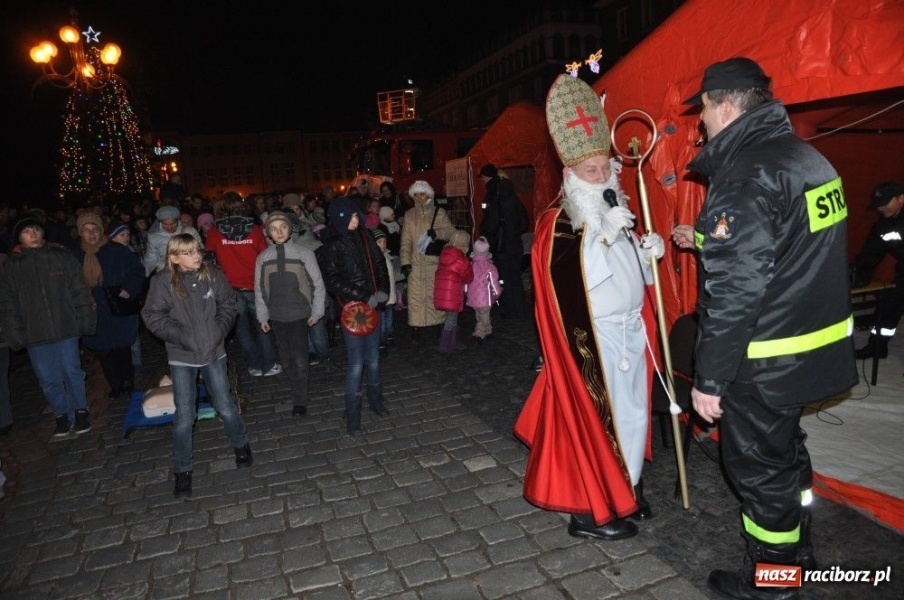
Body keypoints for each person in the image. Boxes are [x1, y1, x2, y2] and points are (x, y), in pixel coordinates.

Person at [672, 57, 857, 599]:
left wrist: (709, 380)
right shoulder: (807, 158)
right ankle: (799, 554)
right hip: (811, 352)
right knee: (787, 458)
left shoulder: (746, 175)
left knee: (760, 474)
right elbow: (789, 247)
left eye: (705, 108)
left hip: (765, 359)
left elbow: (736, 291)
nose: (700, 120)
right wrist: (705, 239)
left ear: (727, 107)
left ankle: (774, 583)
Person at [514, 74, 665, 543]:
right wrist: (603, 238)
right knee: (600, 420)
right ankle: (588, 512)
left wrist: (647, 255)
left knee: (634, 415)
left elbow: (632, 279)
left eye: (604, 168)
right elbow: (566, 286)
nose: (601, 177)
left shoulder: (615, 210)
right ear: (570, 175)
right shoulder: (558, 222)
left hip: (629, 332)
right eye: (590, 170)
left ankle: (626, 489)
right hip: (593, 341)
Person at [141, 234, 251, 497]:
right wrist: (182, 335)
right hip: (182, 356)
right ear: (175, 257)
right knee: (184, 416)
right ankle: (182, 470)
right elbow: (152, 316)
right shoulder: (162, 282)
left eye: (197, 251)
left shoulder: (212, 275)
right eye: (188, 253)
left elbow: (229, 304)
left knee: (225, 405)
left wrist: (219, 330)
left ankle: (241, 445)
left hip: (214, 352)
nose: (196, 256)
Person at [0, 216, 96, 436]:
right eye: (27, 231)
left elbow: (78, 289)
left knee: (72, 372)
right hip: (35, 333)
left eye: (36, 229)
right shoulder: (12, 266)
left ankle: (81, 411)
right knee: (48, 379)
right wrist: (16, 333)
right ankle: (61, 414)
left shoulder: (60, 256)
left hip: (65, 326)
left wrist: (84, 319)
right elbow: (8, 303)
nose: (33, 234)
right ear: (19, 237)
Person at [318, 197, 391, 435]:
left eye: (356, 215)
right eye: (350, 217)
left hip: (373, 306)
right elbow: (333, 281)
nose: (355, 220)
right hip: (353, 312)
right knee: (356, 363)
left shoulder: (365, 235)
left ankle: (376, 402)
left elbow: (380, 264)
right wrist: (364, 295)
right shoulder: (332, 244)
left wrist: (383, 291)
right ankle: (353, 415)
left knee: (374, 359)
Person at [254, 211, 326, 417]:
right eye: (274, 228)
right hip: (277, 316)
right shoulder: (263, 258)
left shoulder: (304, 254)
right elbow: (260, 289)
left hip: (299, 314)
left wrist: (317, 311)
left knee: (300, 359)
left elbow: (318, 284)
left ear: (290, 228)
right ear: (268, 232)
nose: (279, 232)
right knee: (286, 361)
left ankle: (299, 400)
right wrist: (262, 316)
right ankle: (299, 386)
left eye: (283, 227)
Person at [205, 192, 281, 378]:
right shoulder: (254, 230)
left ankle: (254, 365)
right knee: (263, 325)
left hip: (230, 288)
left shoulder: (214, 232)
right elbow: (265, 256)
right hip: (255, 285)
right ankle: (269, 364)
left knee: (241, 329)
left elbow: (209, 259)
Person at [73, 214, 144, 400]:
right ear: (80, 233)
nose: (91, 234)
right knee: (103, 350)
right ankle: (115, 384)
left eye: (95, 230)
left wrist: (128, 289)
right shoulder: (75, 256)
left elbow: (137, 271)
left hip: (116, 305)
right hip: (93, 308)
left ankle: (127, 381)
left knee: (122, 347)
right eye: (86, 231)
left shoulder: (116, 250)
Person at [850, 181, 904, 359]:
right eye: (878, 204)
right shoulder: (883, 226)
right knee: (888, 303)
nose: (880, 208)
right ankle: (876, 347)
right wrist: (856, 275)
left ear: (901, 198)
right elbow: (870, 253)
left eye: (885, 202)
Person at [399, 181, 455, 342]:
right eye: (415, 195)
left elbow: (451, 232)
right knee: (415, 297)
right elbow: (406, 241)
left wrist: (436, 233)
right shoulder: (409, 214)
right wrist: (405, 262)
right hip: (415, 262)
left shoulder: (439, 212)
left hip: (433, 262)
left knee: (434, 294)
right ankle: (415, 328)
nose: (419, 198)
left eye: (422, 194)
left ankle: (438, 326)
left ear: (428, 194)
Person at [480, 177, 530, 318]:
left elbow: (490, 226)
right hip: (516, 246)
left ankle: (510, 310)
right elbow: (524, 225)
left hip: (502, 248)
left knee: (505, 278)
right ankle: (521, 308)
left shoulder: (497, 203)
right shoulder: (518, 202)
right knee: (516, 277)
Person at [434, 230, 473, 352]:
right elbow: (468, 276)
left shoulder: (444, 254)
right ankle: (445, 343)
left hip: (442, 292)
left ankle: (454, 340)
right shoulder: (461, 259)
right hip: (453, 292)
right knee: (451, 319)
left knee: (452, 316)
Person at [143, 205, 202, 276]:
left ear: (178, 220)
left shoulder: (190, 231)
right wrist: (143, 273)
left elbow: (200, 249)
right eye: (165, 224)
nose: (169, 227)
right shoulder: (154, 237)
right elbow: (151, 259)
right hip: (167, 273)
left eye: (173, 224)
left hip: (190, 270)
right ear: (160, 222)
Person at [465, 236, 502, 344]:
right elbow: (494, 282)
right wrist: (498, 292)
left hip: (472, 296)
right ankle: (478, 334)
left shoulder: (471, 265)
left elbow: (466, 281)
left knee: (479, 314)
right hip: (485, 297)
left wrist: (466, 292)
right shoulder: (490, 267)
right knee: (484, 317)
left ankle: (488, 331)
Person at [372, 228, 398, 351]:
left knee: (389, 320)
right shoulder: (375, 259)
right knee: (381, 322)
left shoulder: (387, 256)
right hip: (381, 297)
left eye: (384, 241)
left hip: (390, 296)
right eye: (379, 242)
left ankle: (389, 337)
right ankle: (381, 342)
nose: (383, 244)